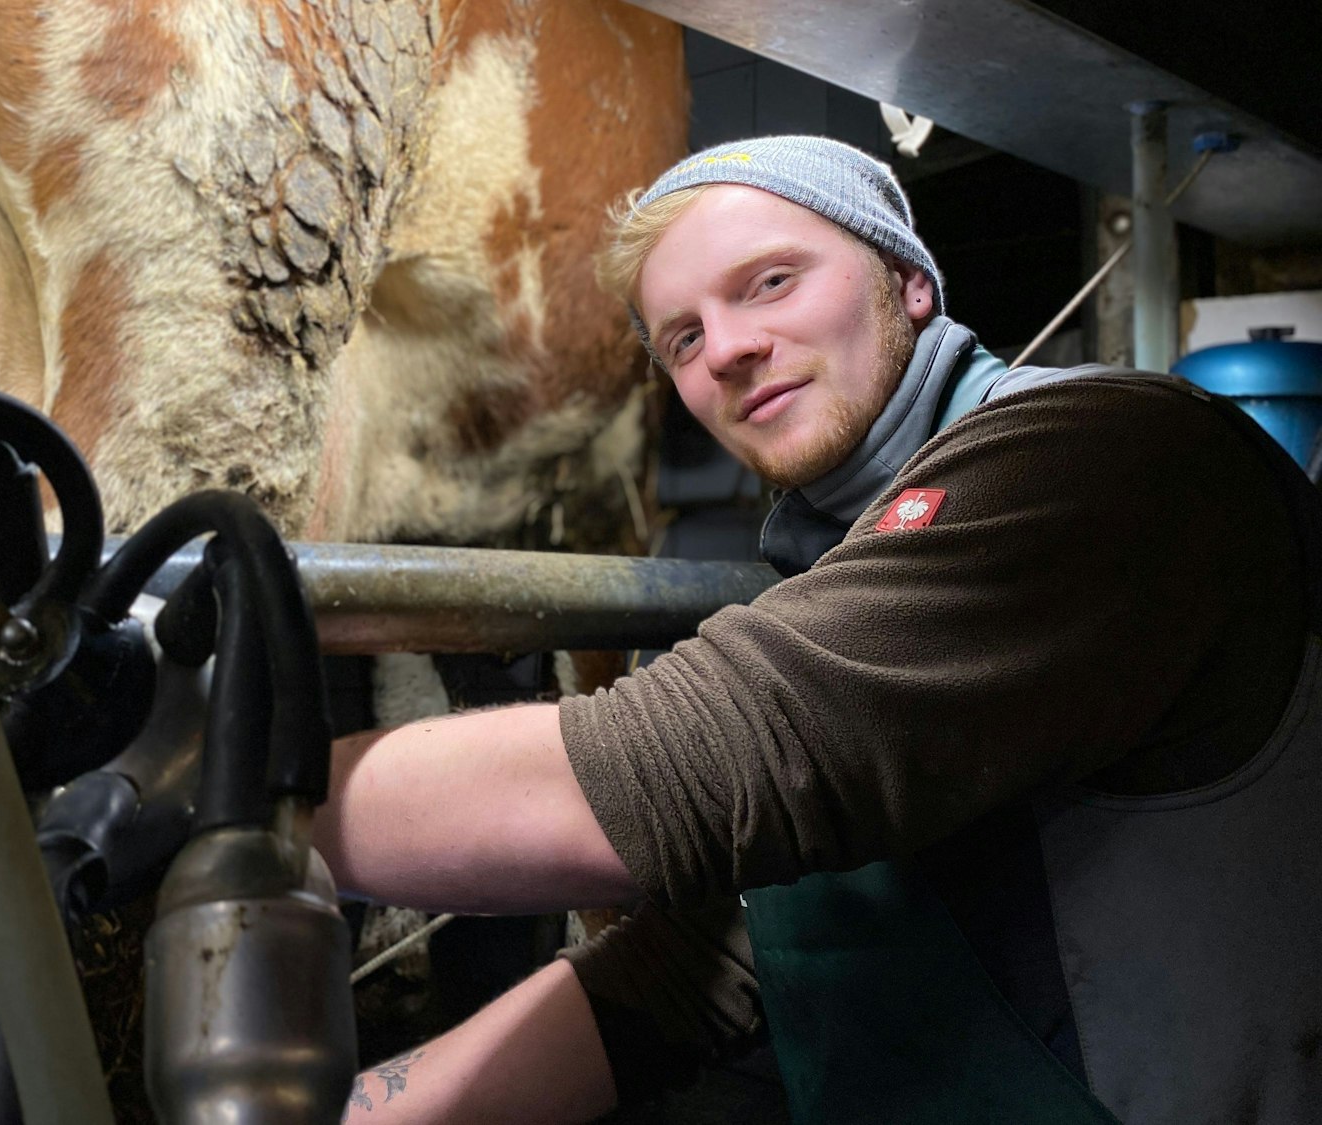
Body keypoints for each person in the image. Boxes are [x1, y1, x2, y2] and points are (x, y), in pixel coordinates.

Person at [311, 136, 1322, 1124]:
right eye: (682, 338)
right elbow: (706, 966)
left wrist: (225, 800)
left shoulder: (1087, 453)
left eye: (768, 283)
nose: (729, 350)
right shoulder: (823, 563)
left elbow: (701, 769)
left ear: (906, 282)